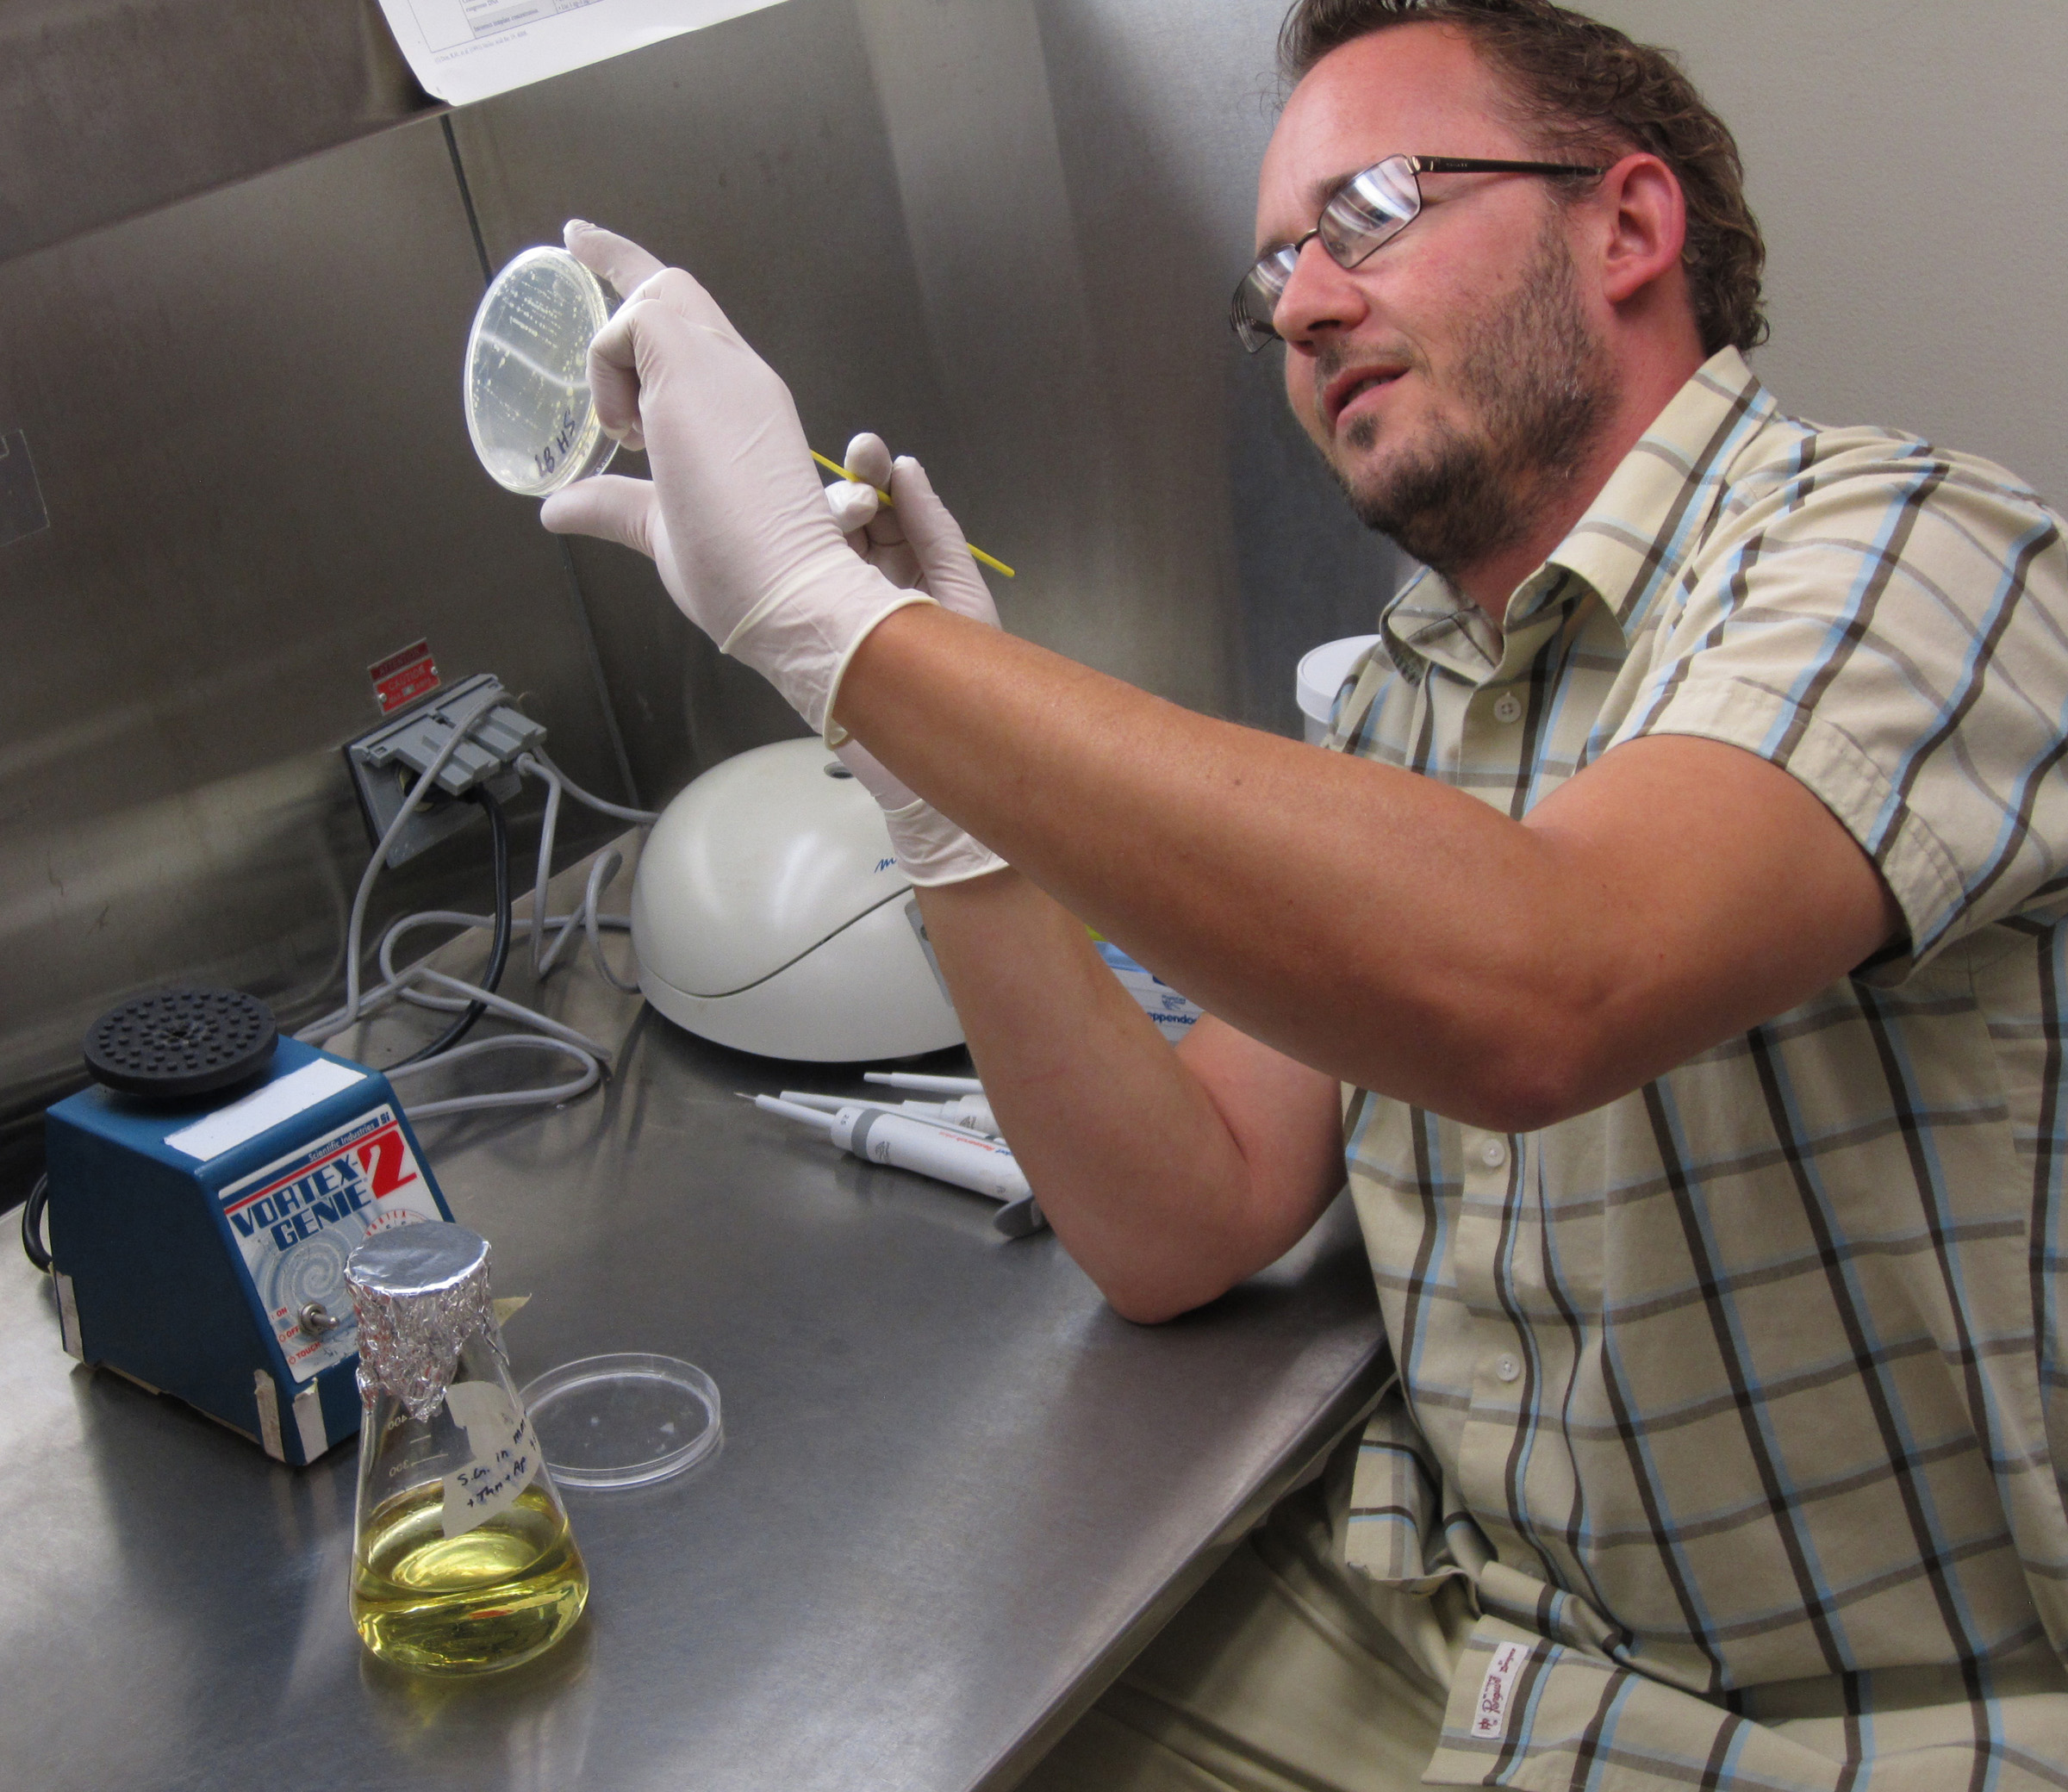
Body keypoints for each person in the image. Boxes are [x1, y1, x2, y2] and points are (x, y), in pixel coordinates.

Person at [540, 0, 2068, 1783]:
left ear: (1628, 226)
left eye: (1372, 211)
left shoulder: (1912, 550)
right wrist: (930, 785)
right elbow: (1183, 1213)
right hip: (1484, 1642)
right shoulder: (1424, 690)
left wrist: (840, 625)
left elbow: (1543, 982)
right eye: (1271, 264)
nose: (1301, 303)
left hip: (1867, 1730)